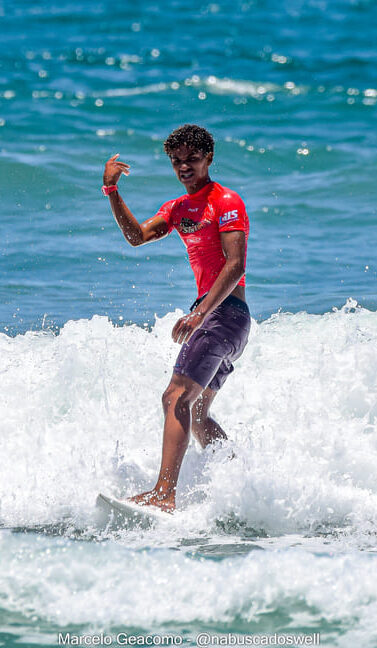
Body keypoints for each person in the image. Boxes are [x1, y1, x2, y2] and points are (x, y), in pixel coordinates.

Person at [102, 124, 251, 512]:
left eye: (192, 159)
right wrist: (112, 192)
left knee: (175, 397)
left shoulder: (227, 201)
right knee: (198, 412)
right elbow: (136, 237)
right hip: (224, 321)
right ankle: (240, 484)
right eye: (177, 161)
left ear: (209, 158)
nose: (185, 167)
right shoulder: (177, 208)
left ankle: (164, 493)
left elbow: (234, 266)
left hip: (224, 313)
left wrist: (200, 314)